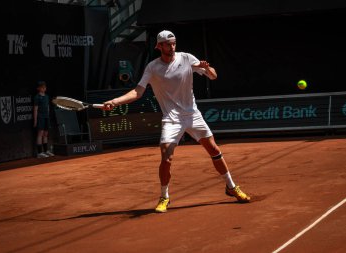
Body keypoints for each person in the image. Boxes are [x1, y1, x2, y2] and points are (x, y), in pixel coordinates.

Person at [103, 30, 250, 213]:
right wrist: (115, 102)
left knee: (214, 149)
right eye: (168, 44)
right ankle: (164, 197)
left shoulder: (187, 58)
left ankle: (231, 186)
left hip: (192, 114)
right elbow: (138, 92)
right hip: (172, 118)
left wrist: (206, 68)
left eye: (174, 43)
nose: (172, 46)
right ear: (159, 46)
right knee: (166, 156)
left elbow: (213, 76)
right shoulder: (152, 68)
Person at [33, 81, 54, 158]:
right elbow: (35, 109)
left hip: (46, 117)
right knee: (40, 134)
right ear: (38, 88)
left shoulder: (47, 96)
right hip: (40, 117)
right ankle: (39, 153)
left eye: (44, 86)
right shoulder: (37, 97)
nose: (44, 88)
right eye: (42, 87)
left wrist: (48, 116)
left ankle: (46, 151)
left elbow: (48, 107)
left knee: (45, 134)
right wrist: (35, 121)